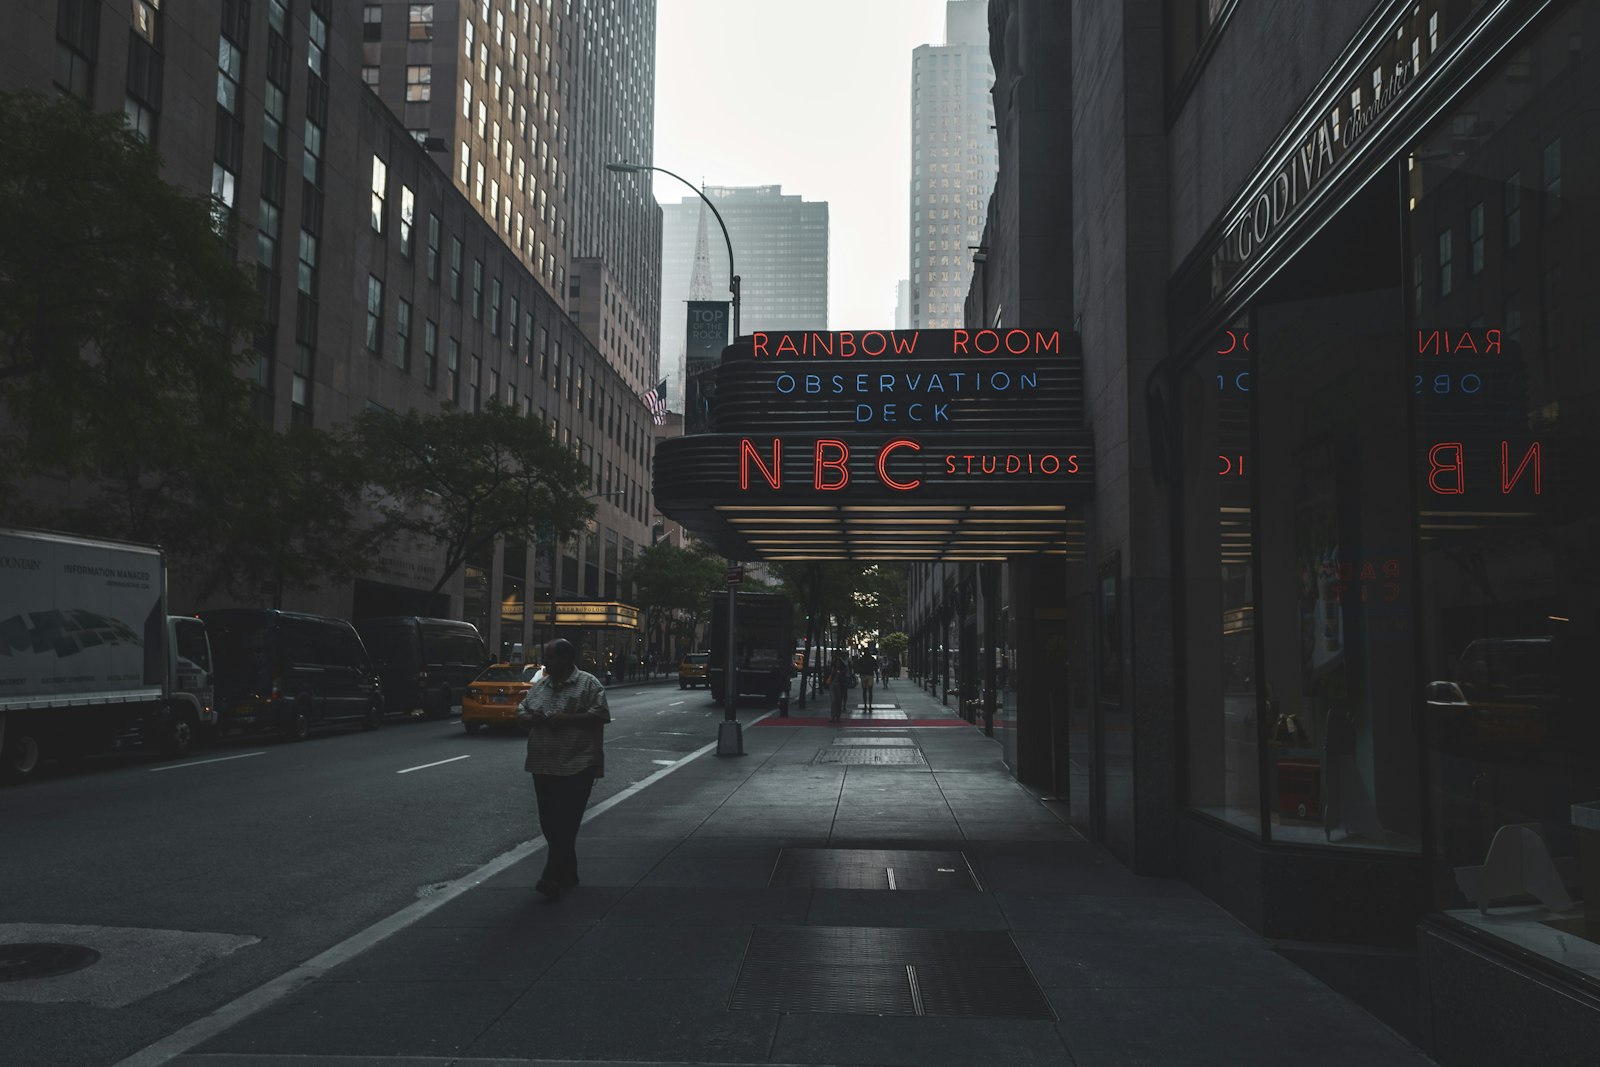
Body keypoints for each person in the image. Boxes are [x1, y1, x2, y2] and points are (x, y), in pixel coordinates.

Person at [515, 639, 611, 902]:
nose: (546, 661)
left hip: (577, 763)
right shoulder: (541, 685)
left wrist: (566, 719)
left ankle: (550, 876)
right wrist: (528, 719)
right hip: (542, 763)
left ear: (566, 658)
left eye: (551, 656)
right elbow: (520, 711)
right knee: (549, 822)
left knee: (566, 823)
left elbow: (601, 714)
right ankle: (569, 872)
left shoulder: (589, 684)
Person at [825, 649, 851, 723]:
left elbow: (845, 673)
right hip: (833, 684)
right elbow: (829, 673)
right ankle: (833, 716)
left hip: (839, 684)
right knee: (834, 700)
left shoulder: (843, 665)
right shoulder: (832, 665)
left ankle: (837, 717)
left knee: (838, 701)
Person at [854, 647, 878, 714]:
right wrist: (877, 676)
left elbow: (857, 667)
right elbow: (875, 667)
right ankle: (869, 705)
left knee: (865, 691)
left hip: (864, 675)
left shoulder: (862, 659)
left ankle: (866, 705)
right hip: (869, 675)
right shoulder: (871, 659)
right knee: (869, 691)